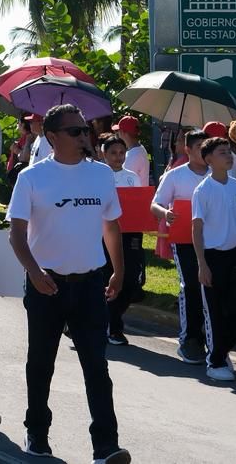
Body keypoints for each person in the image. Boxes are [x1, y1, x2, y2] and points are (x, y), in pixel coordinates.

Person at [5, 104, 128, 464]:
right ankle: (37, 434)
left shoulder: (102, 175)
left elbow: (111, 226)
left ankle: (105, 446)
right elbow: (16, 234)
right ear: (52, 137)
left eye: (85, 129)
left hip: (91, 284)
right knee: (41, 364)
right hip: (48, 286)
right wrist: (33, 272)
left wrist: (117, 271)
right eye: (74, 131)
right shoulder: (32, 177)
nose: (83, 136)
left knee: (97, 366)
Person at [191, 137, 236, 382]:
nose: (229, 156)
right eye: (222, 152)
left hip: (235, 255)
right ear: (209, 159)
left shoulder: (235, 185)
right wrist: (202, 264)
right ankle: (215, 361)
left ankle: (222, 348)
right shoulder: (203, 190)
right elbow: (196, 229)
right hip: (213, 257)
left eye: (229, 152)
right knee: (215, 312)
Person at [150, 127, 210, 364]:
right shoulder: (175, 175)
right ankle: (189, 339)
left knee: (213, 289)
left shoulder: (217, 174)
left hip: (214, 241)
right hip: (184, 239)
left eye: (207, 147)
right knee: (191, 287)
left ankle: (211, 336)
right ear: (187, 149)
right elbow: (155, 204)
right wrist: (166, 214)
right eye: (199, 148)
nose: (204, 152)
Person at [101, 135, 145, 346]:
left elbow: (138, 206)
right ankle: (112, 326)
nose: (118, 157)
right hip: (105, 234)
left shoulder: (132, 177)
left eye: (121, 153)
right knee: (106, 276)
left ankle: (111, 320)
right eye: (113, 153)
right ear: (104, 154)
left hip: (130, 234)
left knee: (130, 279)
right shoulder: (98, 176)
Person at [112, 116, 149, 185]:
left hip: (135, 195)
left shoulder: (134, 155)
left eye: (119, 131)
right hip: (137, 194)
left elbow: (122, 182)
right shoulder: (139, 149)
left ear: (123, 132)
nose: (118, 134)